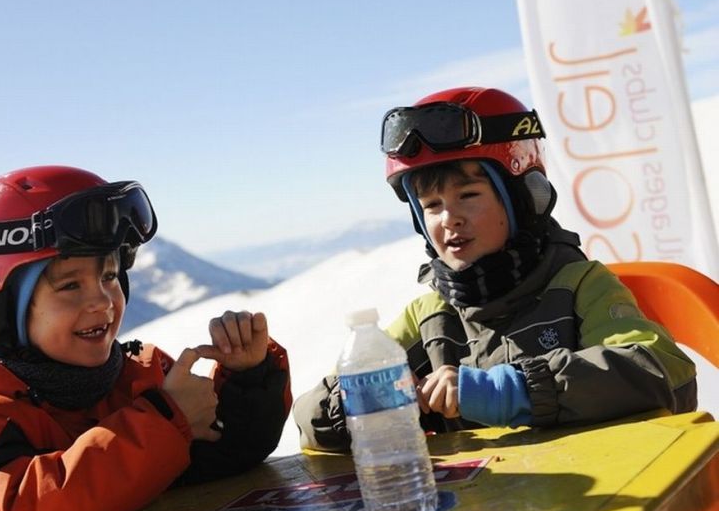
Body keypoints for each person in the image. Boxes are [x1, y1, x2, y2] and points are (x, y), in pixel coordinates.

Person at [0, 165, 291, 511]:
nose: (102, 301)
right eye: (70, 286)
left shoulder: (136, 379)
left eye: (109, 276)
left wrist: (249, 379)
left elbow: (223, 462)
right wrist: (164, 425)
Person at [294, 86, 697, 446]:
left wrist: (508, 392)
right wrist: (365, 404)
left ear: (524, 197)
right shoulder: (431, 317)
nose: (448, 218)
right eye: (431, 206)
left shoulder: (578, 285)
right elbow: (309, 419)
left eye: (468, 195)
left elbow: (663, 370)